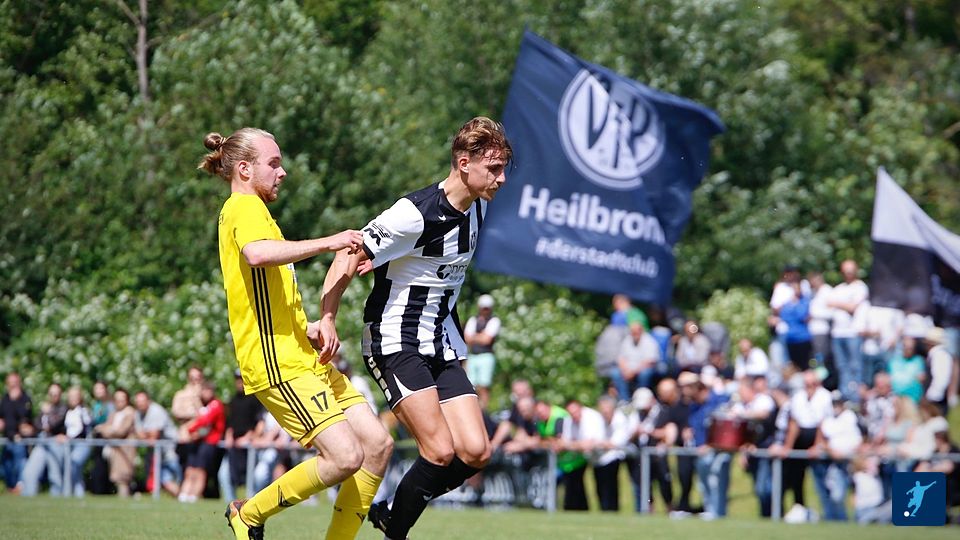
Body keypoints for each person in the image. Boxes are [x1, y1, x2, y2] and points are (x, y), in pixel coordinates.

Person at [317, 117, 511, 540]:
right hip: (395, 341)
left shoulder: (479, 205)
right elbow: (349, 252)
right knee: (438, 451)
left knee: (476, 451)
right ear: (464, 163)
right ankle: (396, 531)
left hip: (440, 344)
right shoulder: (414, 212)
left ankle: (391, 514)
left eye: (503, 168)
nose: (501, 179)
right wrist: (328, 316)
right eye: (494, 168)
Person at [200, 127, 392, 540]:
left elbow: (266, 294)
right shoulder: (243, 206)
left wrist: (309, 326)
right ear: (245, 169)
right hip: (278, 363)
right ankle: (249, 514)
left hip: (301, 354)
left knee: (377, 445)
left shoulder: (256, 211)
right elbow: (257, 255)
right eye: (274, 163)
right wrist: (329, 242)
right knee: (345, 457)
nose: (282, 172)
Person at [809, 391, 862, 521]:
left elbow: (860, 438)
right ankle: (839, 520)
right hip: (836, 462)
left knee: (859, 494)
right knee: (836, 495)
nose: (836, 406)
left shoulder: (851, 417)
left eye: (838, 403)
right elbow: (822, 439)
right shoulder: (828, 420)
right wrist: (830, 450)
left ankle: (858, 519)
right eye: (834, 403)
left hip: (853, 461)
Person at [219, 370, 265, 502]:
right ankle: (231, 502)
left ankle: (251, 502)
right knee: (223, 474)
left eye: (242, 379)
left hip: (249, 447)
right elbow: (230, 423)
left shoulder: (255, 399)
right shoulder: (233, 400)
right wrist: (229, 436)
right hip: (234, 446)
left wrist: (249, 437)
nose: (239, 382)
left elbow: (260, 422)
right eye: (237, 379)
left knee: (254, 477)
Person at [827, 259, 869, 402]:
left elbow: (852, 307)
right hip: (837, 333)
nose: (848, 274)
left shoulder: (860, 287)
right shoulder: (839, 288)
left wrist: (837, 304)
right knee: (841, 366)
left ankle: (855, 398)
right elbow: (828, 304)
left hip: (852, 333)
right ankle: (845, 396)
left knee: (855, 366)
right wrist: (843, 304)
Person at [180, 381, 226, 502]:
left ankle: (194, 496)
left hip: (209, 443)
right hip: (199, 442)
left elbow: (205, 421)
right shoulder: (203, 406)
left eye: (207, 390)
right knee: (190, 469)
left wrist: (190, 429)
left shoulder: (215, 404)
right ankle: (184, 494)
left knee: (200, 470)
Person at [20, 382, 67, 496]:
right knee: (29, 472)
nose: (54, 396)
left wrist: (48, 413)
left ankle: (57, 499)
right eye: (51, 394)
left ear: (60, 395)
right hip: (42, 441)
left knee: (55, 475)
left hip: (55, 442)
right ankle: (28, 496)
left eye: (56, 394)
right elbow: (37, 424)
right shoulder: (45, 408)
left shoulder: (62, 408)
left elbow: (54, 424)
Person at [134, 390, 181, 497]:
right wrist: (148, 434)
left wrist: (147, 434)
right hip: (156, 453)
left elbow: (154, 436)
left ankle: (185, 496)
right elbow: (140, 435)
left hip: (171, 451)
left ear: (148, 401)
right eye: (138, 402)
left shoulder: (156, 411)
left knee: (176, 479)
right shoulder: (138, 413)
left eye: (142, 401)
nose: (140, 404)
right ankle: (181, 497)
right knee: (164, 480)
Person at [94, 388, 137, 497]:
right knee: (116, 478)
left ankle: (124, 498)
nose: (119, 402)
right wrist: (107, 429)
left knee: (123, 478)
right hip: (114, 449)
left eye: (122, 399)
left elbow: (120, 431)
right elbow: (106, 426)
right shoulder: (114, 413)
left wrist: (106, 430)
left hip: (125, 450)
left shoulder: (129, 412)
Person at [463, 294, 501, 410]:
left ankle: (483, 410)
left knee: (484, 386)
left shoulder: (494, 320)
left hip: (486, 356)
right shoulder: (473, 320)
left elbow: (487, 339)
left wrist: (474, 337)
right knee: (471, 386)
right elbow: (467, 338)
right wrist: (481, 336)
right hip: (473, 356)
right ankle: (472, 408)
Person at [615, 311, 661, 400]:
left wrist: (633, 372)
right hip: (628, 369)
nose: (634, 334)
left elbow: (650, 362)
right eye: (632, 332)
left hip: (642, 369)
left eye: (636, 332)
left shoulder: (649, 341)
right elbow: (621, 358)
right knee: (615, 373)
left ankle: (641, 397)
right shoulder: (627, 340)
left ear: (641, 330)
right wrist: (625, 370)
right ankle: (624, 400)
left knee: (645, 374)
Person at [0, 372, 32, 493]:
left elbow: (24, 415)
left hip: (20, 439)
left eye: (15, 383)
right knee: (6, 465)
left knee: (20, 463)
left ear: (19, 383)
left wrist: (14, 401)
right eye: (10, 383)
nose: (12, 386)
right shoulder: (5, 399)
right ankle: (11, 487)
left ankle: (20, 486)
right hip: (7, 438)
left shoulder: (25, 399)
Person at [62, 386, 92, 496]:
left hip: (81, 444)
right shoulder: (67, 411)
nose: (73, 398)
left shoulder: (83, 411)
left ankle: (71, 491)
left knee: (73, 464)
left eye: (75, 396)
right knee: (74, 469)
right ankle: (78, 493)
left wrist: (70, 438)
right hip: (70, 445)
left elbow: (84, 429)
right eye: (71, 396)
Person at [924, 327, 955, 414]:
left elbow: (941, 378)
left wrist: (931, 397)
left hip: (937, 401)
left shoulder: (939, 355)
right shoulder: (939, 354)